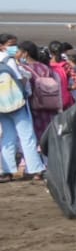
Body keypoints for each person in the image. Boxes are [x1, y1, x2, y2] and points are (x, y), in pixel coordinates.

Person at [0, 33, 47, 182]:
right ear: (2, 46)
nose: (14, 48)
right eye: (11, 44)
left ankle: (6, 170)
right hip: (17, 102)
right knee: (26, 135)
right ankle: (35, 168)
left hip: (2, 103)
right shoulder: (10, 60)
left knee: (7, 136)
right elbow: (21, 78)